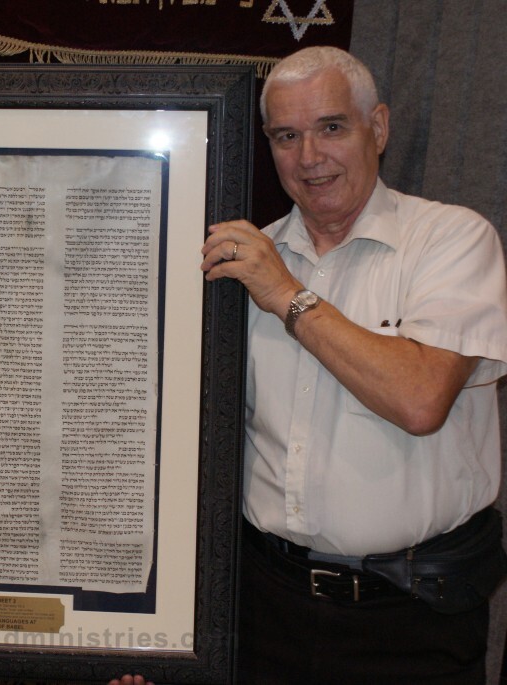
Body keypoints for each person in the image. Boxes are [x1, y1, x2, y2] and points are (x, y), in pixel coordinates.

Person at [114, 46, 507, 685]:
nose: (308, 157)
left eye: (331, 127)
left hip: (412, 619)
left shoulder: (452, 240)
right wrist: (143, 622)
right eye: (286, 136)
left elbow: (421, 399)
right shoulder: (234, 264)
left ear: (377, 128)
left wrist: (287, 296)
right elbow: (180, 445)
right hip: (263, 608)